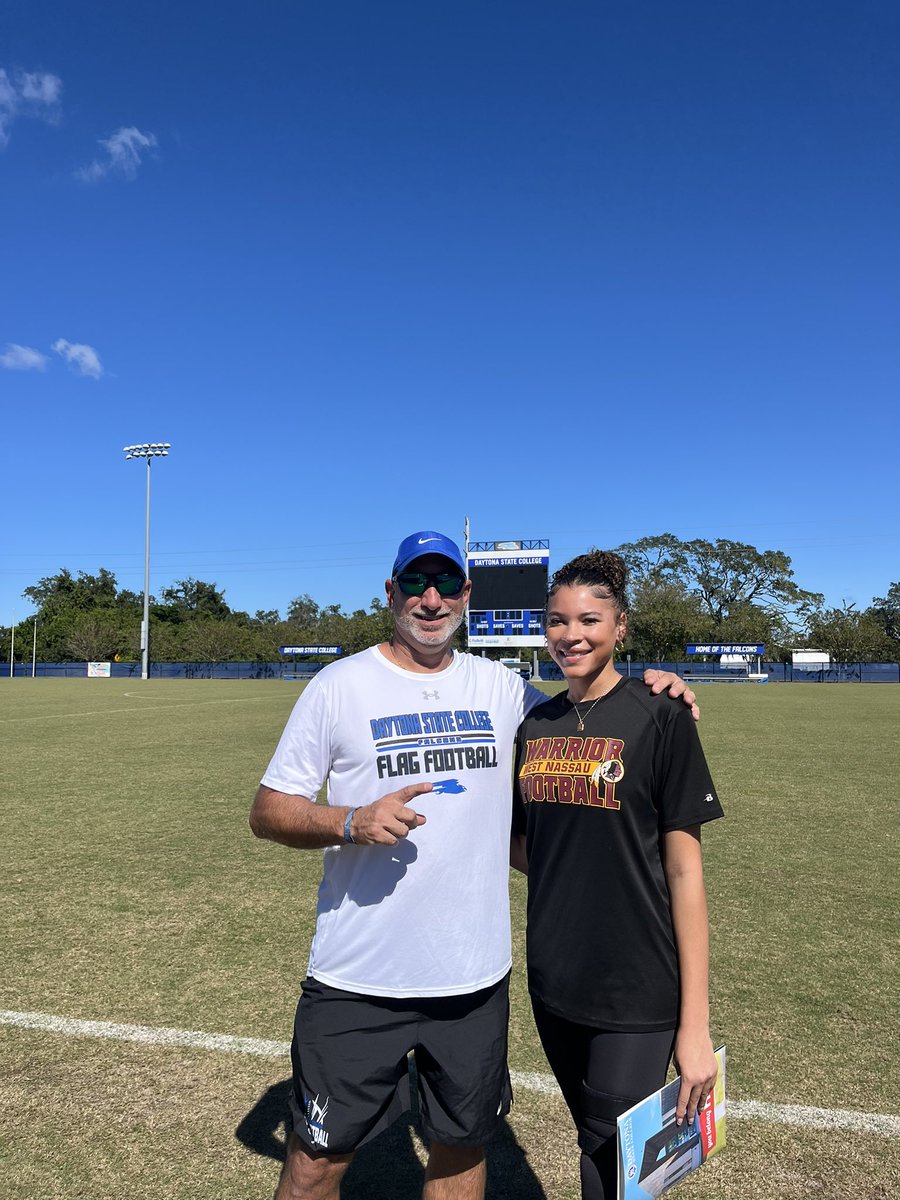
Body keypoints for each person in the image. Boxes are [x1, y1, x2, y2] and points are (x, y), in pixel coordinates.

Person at [249, 531, 698, 1200]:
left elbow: (585, 706)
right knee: (315, 1163)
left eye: (445, 584)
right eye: (413, 583)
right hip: (355, 980)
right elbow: (267, 810)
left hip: (472, 985)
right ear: (390, 593)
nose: (429, 599)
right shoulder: (337, 686)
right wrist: (348, 820)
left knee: (460, 1153)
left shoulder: (503, 689)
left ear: (466, 595)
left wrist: (655, 686)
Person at [512, 550, 724, 1200]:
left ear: (621, 626)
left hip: (637, 989)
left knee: (613, 1164)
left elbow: (685, 874)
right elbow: (527, 847)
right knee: (594, 1141)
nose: (571, 634)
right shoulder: (534, 726)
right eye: (557, 620)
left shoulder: (660, 717)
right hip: (554, 982)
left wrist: (695, 1026)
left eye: (589, 620)